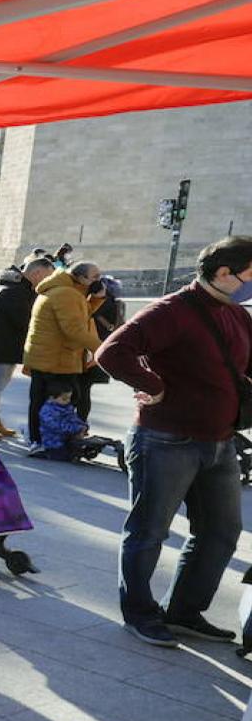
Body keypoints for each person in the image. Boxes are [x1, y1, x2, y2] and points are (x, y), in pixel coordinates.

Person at [95, 236, 252, 647]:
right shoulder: (171, 311)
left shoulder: (236, 314)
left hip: (220, 440)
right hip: (166, 440)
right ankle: (140, 613)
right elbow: (112, 352)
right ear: (223, 273)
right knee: (149, 532)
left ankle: (184, 612)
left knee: (221, 532)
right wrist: (152, 385)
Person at [0, 255, 54, 441]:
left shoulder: (18, 288)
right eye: (47, 276)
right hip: (1, 346)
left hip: (4, 345)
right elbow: (25, 321)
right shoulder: (14, 291)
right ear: (37, 273)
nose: (47, 281)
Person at [22, 259, 103, 443]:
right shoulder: (66, 294)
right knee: (54, 400)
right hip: (56, 359)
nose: (99, 280)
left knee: (42, 400)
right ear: (80, 278)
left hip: (48, 357)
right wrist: (103, 348)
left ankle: (40, 439)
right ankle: (42, 440)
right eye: (95, 277)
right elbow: (74, 329)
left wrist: (96, 299)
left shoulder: (65, 291)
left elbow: (79, 314)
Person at [33, 387, 125, 469]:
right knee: (64, 455)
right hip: (54, 441)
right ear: (52, 398)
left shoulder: (66, 407)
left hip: (66, 438)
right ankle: (49, 454)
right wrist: (76, 428)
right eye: (64, 399)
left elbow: (74, 418)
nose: (67, 401)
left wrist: (83, 426)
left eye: (69, 398)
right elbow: (57, 426)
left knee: (80, 445)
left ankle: (78, 451)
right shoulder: (47, 411)